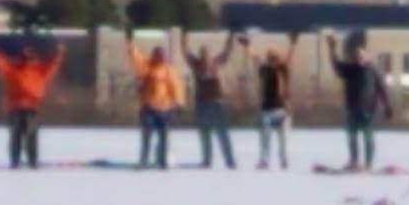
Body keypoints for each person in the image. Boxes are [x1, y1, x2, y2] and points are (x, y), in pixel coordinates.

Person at [0, 40, 65, 169]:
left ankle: (32, 162)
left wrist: (60, 52)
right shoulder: (10, 68)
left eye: (29, 57)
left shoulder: (39, 70)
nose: (27, 60)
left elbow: (53, 64)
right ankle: (15, 162)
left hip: (31, 108)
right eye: (24, 57)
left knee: (31, 136)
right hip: (15, 108)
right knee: (16, 136)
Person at [326, 30, 393, 172]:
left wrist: (387, 106)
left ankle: (368, 164)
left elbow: (381, 88)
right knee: (352, 137)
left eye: (362, 56)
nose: (360, 58)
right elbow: (336, 65)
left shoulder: (373, 70)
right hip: (352, 109)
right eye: (357, 56)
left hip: (368, 110)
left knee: (368, 137)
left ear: (367, 56)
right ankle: (354, 162)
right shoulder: (350, 69)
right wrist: (332, 48)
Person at [125, 29, 185, 169]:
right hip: (148, 109)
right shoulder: (147, 67)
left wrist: (179, 103)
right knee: (147, 136)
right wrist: (130, 43)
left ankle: (163, 161)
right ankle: (144, 161)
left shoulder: (169, 70)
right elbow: (135, 58)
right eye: (158, 55)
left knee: (164, 138)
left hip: (165, 109)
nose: (160, 57)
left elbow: (176, 87)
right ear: (154, 55)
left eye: (162, 55)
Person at [240, 31, 298, 169]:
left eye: (274, 58)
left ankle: (284, 160)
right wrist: (247, 46)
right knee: (265, 136)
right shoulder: (265, 70)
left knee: (284, 138)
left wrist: (293, 44)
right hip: (267, 110)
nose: (272, 60)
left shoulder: (282, 69)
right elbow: (255, 59)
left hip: (281, 110)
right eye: (270, 58)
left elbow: (289, 57)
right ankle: (264, 160)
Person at [180, 30, 237, 169]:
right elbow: (185, 51)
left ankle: (230, 161)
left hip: (217, 103)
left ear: (210, 55)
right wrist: (184, 35)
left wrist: (231, 36)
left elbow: (227, 51)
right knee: (204, 133)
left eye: (207, 53)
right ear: (200, 55)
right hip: (202, 104)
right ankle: (207, 160)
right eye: (202, 53)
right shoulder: (196, 65)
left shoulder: (215, 63)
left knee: (222, 133)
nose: (205, 56)